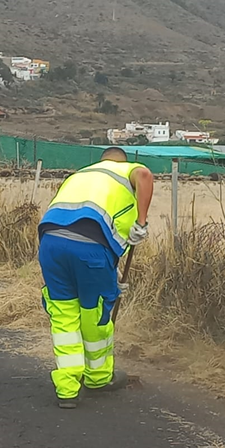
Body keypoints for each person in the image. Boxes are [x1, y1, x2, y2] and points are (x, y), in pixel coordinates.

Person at [38, 148, 154, 409]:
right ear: (120, 161)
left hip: (50, 244)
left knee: (63, 313)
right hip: (89, 249)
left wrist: (111, 278)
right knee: (95, 311)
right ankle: (98, 378)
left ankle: (67, 388)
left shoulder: (79, 175)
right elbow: (145, 175)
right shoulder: (124, 169)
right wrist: (142, 223)